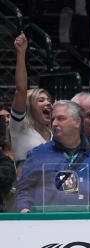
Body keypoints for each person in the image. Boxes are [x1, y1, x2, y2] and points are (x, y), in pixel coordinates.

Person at [13, 100, 90, 212]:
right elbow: (23, 192)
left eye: (60, 119)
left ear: (77, 122)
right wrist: (24, 210)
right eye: (53, 119)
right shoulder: (38, 155)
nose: (54, 124)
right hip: (49, 225)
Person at [10, 34, 53, 178]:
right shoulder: (20, 129)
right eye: (41, 100)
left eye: (48, 100)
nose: (48, 103)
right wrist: (21, 54)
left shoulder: (55, 134)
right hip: (28, 195)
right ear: (29, 106)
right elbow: (21, 91)